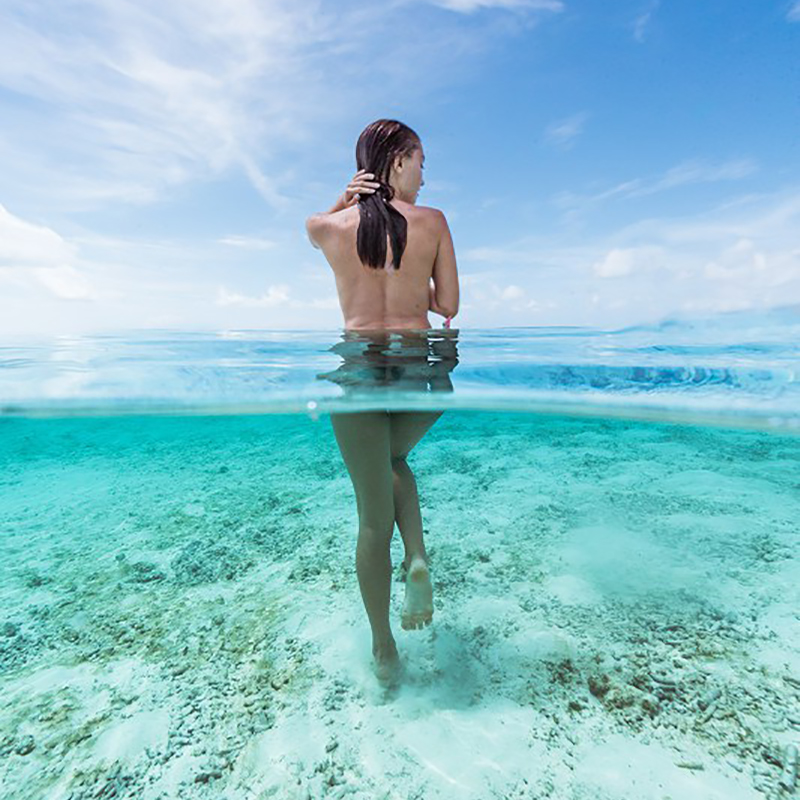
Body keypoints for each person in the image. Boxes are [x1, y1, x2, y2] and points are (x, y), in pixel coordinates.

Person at [305, 119, 460, 687]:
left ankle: (383, 648)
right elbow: (450, 305)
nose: (425, 173)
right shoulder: (435, 221)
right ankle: (417, 557)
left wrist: (347, 199)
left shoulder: (330, 227)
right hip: (422, 370)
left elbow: (314, 226)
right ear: (399, 159)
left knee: (372, 521)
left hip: (361, 371)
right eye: (421, 160)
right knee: (394, 463)